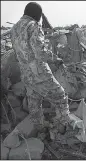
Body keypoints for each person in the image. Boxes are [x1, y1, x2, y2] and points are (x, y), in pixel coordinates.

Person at [10, 2, 71, 134]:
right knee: (60, 97)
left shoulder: (14, 29)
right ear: (36, 14)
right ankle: (63, 130)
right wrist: (56, 59)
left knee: (34, 102)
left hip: (26, 73)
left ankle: (40, 130)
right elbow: (40, 52)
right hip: (39, 73)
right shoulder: (33, 26)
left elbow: (17, 53)